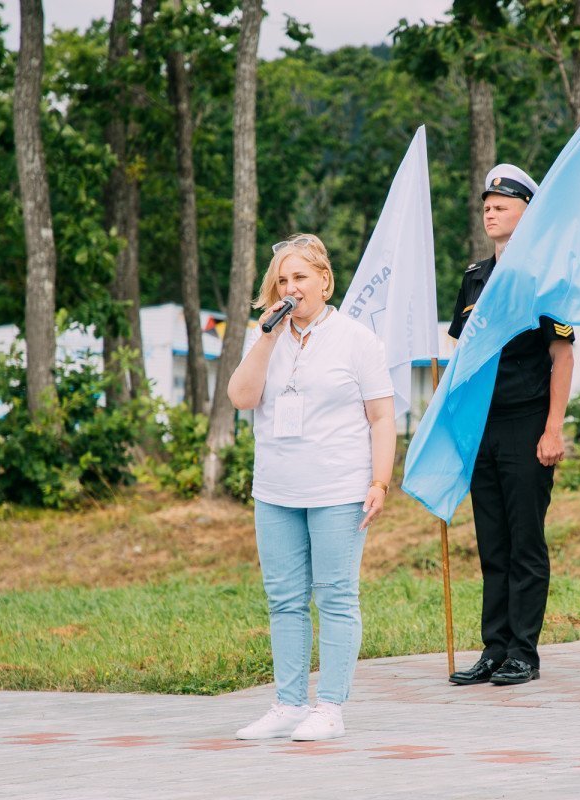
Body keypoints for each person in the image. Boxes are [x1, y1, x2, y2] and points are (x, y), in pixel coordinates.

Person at [228, 234, 396, 740]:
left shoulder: (356, 339)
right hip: (276, 488)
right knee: (284, 599)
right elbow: (241, 397)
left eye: (300, 277)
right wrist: (267, 337)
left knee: (337, 595)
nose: (291, 287)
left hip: (338, 488)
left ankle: (331, 707)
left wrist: (380, 480)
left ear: (324, 280)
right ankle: (288, 702)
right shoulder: (265, 336)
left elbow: (382, 416)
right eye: (282, 279)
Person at [447, 164, 575, 687]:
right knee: (492, 543)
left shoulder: (543, 278)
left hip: (527, 424)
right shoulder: (475, 277)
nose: (490, 209)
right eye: (486, 203)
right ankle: (494, 649)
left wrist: (553, 428)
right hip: (483, 427)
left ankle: (524, 651)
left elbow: (562, 357)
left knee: (525, 542)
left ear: (527, 213)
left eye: (502, 203)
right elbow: (459, 352)